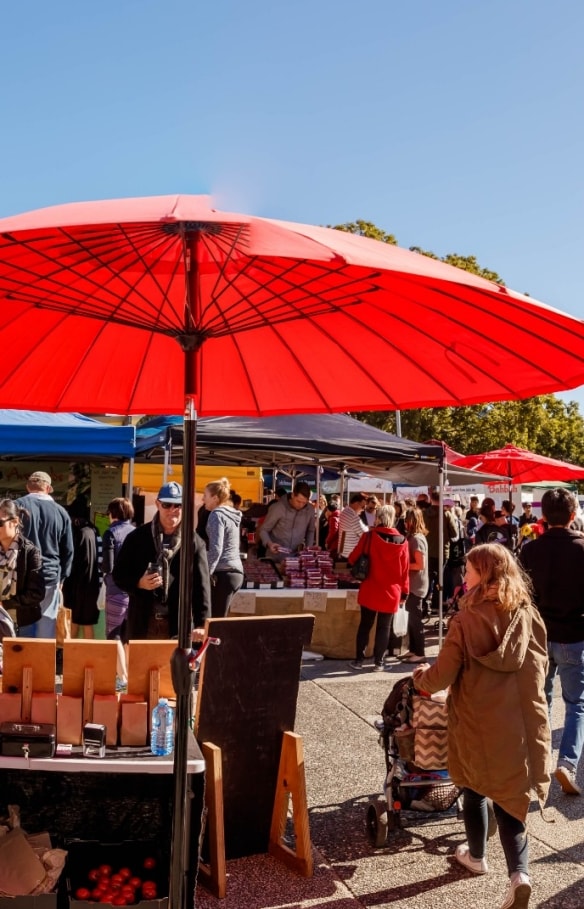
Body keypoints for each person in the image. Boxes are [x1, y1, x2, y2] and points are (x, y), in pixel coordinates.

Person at [413, 544, 550, 909]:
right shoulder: (528, 614)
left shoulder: (466, 619)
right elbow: (540, 671)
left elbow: (440, 678)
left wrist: (419, 679)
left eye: (470, 569)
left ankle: (476, 857)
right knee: (511, 801)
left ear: (484, 573)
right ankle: (520, 875)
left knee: (473, 788)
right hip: (519, 722)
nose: (464, 575)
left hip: (477, 721)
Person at [520, 487, 584, 796]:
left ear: (543, 516)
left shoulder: (531, 550)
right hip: (575, 636)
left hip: (540, 636)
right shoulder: (582, 548)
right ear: (573, 516)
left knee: (539, 701)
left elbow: (522, 597)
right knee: (577, 705)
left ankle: (536, 764)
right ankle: (567, 763)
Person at [113, 482, 211, 641]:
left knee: (174, 667)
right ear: (158, 504)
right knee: (140, 666)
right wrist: (139, 583)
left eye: (178, 505)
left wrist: (201, 624)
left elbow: (202, 586)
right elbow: (119, 574)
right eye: (167, 505)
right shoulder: (137, 537)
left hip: (178, 625)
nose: (172, 510)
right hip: (143, 622)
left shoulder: (193, 542)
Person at [347, 504, 409, 671]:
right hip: (392, 591)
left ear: (378, 518)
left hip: (370, 587)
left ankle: (359, 660)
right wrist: (405, 592)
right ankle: (379, 663)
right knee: (384, 627)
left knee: (365, 625)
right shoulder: (403, 541)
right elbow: (405, 572)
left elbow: (353, 558)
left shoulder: (369, 537)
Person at [15, 471, 73, 638]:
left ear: (28, 487)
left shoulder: (16, 507)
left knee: (25, 627)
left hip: (23, 577)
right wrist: (62, 577)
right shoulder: (61, 512)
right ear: (48, 488)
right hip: (50, 575)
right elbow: (68, 550)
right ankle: (44, 663)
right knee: (46, 629)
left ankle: (25, 662)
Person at [0, 499, 45, 632]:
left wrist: (4, 604)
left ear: (15, 522)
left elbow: (36, 593)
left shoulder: (30, 551)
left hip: (22, 622)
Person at [202, 477, 244, 617]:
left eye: (205, 496)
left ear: (214, 498)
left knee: (214, 622)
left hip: (223, 573)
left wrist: (205, 574)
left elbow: (216, 548)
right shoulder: (231, 514)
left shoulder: (216, 515)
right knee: (219, 619)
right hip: (235, 573)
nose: (203, 499)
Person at [63, 495, 101, 640]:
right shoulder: (94, 530)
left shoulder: (75, 531)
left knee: (72, 621)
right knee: (87, 623)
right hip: (92, 585)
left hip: (75, 584)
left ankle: (69, 657)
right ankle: (88, 657)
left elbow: (71, 558)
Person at [101, 497, 135, 641]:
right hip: (134, 592)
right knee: (129, 636)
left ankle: (116, 664)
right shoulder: (137, 532)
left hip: (116, 590)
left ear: (112, 513)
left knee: (114, 634)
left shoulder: (111, 533)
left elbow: (108, 566)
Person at [399, 507, 428, 663]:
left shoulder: (417, 539)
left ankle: (420, 652)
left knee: (415, 620)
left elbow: (420, 564)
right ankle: (413, 649)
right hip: (413, 584)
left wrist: (403, 565)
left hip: (416, 585)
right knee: (411, 619)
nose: (404, 522)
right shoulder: (413, 537)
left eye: (407, 519)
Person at [259, 482, 315, 561]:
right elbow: (263, 530)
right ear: (292, 495)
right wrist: (269, 544)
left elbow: (311, 531)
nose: (301, 505)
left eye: (304, 503)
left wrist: (308, 549)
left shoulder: (310, 510)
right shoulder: (278, 508)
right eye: (298, 501)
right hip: (275, 557)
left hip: (296, 558)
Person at [337, 493, 368, 559]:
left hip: (345, 552)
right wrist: (368, 528)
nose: (363, 510)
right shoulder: (352, 516)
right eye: (363, 507)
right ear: (356, 503)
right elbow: (364, 534)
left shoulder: (345, 511)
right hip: (351, 554)